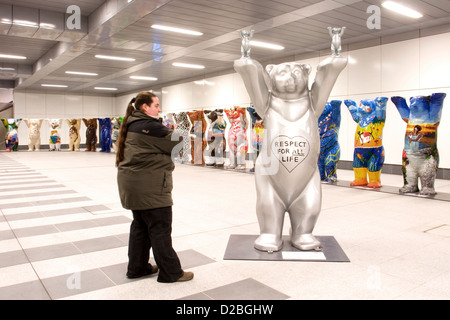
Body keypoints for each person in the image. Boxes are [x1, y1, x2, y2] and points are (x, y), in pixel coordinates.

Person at [116, 91, 193, 283]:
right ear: (145, 107)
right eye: (156, 105)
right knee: (160, 228)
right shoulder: (149, 126)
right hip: (150, 187)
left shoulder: (133, 123)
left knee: (140, 228)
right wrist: (184, 124)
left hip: (134, 185)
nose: (159, 109)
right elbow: (178, 144)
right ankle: (171, 272)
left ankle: (137, 268)